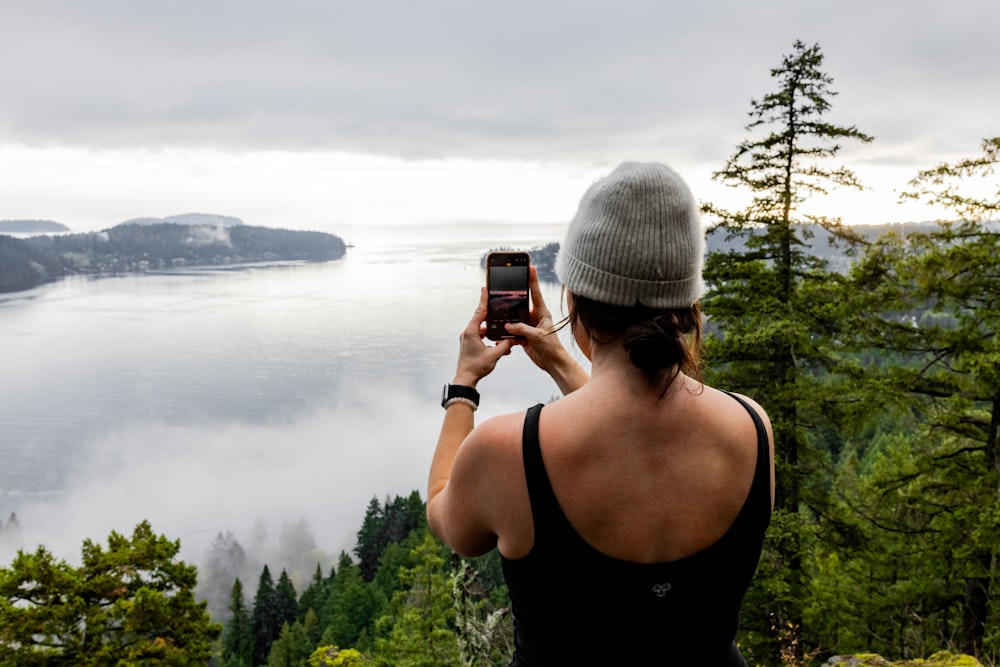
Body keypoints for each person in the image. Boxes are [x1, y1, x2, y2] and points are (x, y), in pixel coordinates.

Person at [427, 161, 774, 666]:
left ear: (576, 296)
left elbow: (445, 517)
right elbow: (634, 436)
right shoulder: (751, 428)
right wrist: (561, 363)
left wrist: (464, 386)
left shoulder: (508, 452)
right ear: (688, 304)